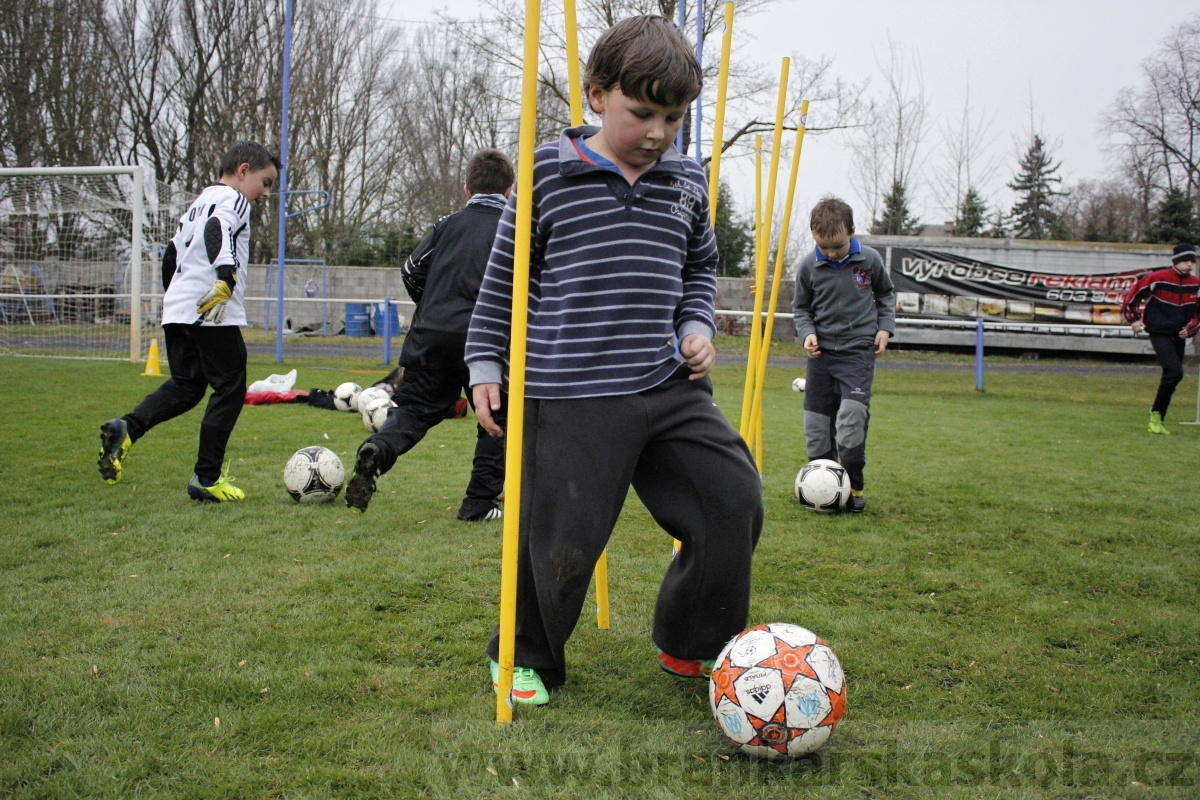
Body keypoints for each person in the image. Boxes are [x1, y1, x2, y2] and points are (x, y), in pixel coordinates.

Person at [465, 15, 763, 707]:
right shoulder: (546, 171)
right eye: (642, 113)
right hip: (569, 390)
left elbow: (699, 268)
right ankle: (523, 655)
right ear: (598, 95)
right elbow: (503, 279)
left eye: (673, 116)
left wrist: (694, 323)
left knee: (732, 499)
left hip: (670, 381)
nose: (658, 131)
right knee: (563, 543)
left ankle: (692, 643)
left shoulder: (687, 180)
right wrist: (484, 362)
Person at [96, 141, 280, 500]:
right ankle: (206, 478)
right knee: (230, 386)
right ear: (243, 171)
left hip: (178, 307)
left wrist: (175, 299)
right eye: (266, 182)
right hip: (210, 306)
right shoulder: (233, 200)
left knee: (188, 384)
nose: (265, 194)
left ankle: (127, 428)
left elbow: (171, 255)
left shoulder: (196, 205)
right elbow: (218, 229)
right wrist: (225, 277)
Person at [345, 148, 514, 520]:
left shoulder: (446, 224)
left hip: (431, 337)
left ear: (467, 189)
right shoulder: (514, 227)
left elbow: (410, 271)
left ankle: (378, 448)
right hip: (487, 342)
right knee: (496, 420)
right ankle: (478, 504)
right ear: (510, 189)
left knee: (415, 410)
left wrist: (434, 305)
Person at [792, 197, 896, 513]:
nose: (831, 253)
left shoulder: (870, 260)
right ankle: (822, 491)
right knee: (816, 427)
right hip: (821, 356)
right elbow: (801, 308)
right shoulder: (809, 266)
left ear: (851, 231)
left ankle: (853, 487)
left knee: (851, 418)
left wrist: (885, 327)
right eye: (823, 247)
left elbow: (886, 294)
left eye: (837, 246)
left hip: (858, 353)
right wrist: (807, 333)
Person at [1121, 242, 1200, 434]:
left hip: (1179, 334)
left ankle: (1157, 417)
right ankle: (1155, 415)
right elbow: (1133, 295)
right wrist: (1134, 319)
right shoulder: (1158, 278)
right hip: (1159, 332)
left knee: (1170, 376)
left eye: (1193, 260)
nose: (1190, 264)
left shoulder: (1196, 284)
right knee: (1175, 372)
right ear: (1177, 260)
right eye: (1186, 260)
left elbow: (1198, 315)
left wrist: (1190, 330)